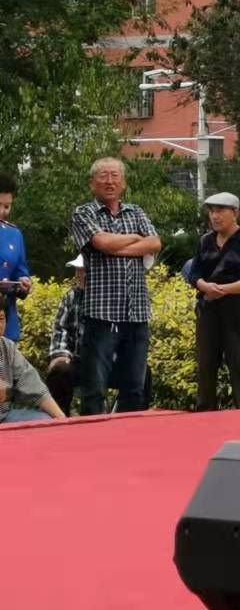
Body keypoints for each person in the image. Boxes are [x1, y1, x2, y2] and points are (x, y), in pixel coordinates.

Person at [70, 157, 161, 415]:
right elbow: (102, 243)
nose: (109, 181)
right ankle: (92, 435)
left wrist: (115, 246)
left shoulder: (136, 211)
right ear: (92, 183)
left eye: (115, 176)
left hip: (137, 313)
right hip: (102, 314)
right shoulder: (84, 213)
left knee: (135, 388)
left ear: (124, 183)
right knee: (94, 389)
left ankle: (128, 437)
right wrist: (134, 239)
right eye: (103, 176)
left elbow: (155, 243)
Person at [190, 191, 240, 410]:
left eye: (220, 211)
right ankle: (204, 413)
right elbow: (194, 273)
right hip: (208, 309)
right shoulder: (205, 241)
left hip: (237, 311)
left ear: (235, 213)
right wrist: (205, 286)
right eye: (211, 211)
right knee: (206, 365)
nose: (215, 216)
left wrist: (223, 290)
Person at [45, 253, 87, 414]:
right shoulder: (70, 296)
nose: (79, 274)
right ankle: (60, 419)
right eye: (77, 269)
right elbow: (60, 328)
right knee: (59, 370)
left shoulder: (110, 297)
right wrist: (60, 354)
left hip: (106, 361)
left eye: (83, 270)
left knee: (142, 373)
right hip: (77, 359)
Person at [1, 333, 66, 423]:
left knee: (44, 420)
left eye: (2, 322)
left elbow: (33, 386)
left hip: (3, 416)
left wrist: (62, 420)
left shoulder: (7, 347)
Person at [0, 172, 33, 343]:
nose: (2, 212)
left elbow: (21, 271)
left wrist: (24, 283)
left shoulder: (14, 234)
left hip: (6, 325)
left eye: (7, 206)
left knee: (6, 362)